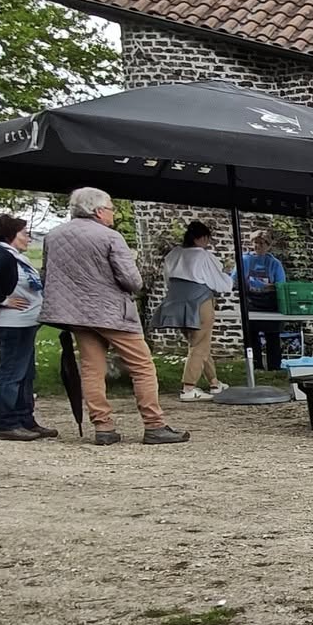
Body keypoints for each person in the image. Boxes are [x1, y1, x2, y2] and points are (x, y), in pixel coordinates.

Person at [42, 188, 188, 447]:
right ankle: (154, 425)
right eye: (111, 207)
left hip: (77, 313)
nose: (114, 212)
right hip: (111, 312)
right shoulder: (110, 237)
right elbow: (132, 280)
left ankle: (103, 426)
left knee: (91, 368)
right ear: (98, 211)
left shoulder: (53, 236)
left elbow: (47, 275)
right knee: (142, 366)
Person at [0, 214, 55, 442]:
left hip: (23, 322)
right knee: (10, 373)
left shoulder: (11, 256)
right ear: (9, 235)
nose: (29, 238)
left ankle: (25, 419)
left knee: (25, 373)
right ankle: (7, 423)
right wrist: (2, 298)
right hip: (11, 322)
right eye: (25, 233)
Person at [155, 220, 234, 401]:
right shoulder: (203, 255)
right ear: (202, 238)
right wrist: (228, 281)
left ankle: (214, 382)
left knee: (198, 343)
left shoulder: (173, 254)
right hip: (199, 301)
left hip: (176, 300)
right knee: (199, 344)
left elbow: (168, 279)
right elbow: (219, 282)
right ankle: (189, 387)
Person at [239, 229, 289, 372]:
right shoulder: (244, 260)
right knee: (252, 335)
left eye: (261, 243)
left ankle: (274, 366)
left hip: (269, 303)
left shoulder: (274, 264)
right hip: (251, 302)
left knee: (272, 335)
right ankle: (255, 366)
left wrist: (268, 287)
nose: (258, 246)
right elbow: (235, 279)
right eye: (256, 243)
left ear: (268, 245)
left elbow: (281, 285)